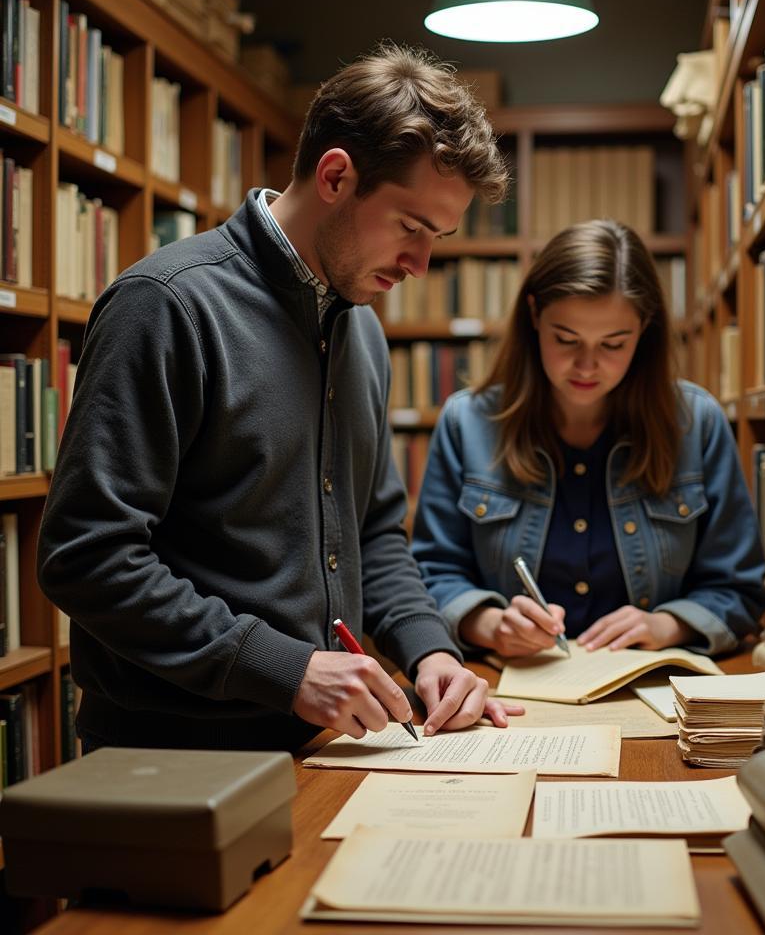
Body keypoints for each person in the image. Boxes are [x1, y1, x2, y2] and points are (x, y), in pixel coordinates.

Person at [37, 43, 523, 752]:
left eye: (438, 238)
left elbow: (376, 534)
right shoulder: (167, 306)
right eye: (411, 228)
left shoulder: (362, 330)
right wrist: (286, 668)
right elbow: (86, 556)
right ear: (335, 176)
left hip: (320, 745)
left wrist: (431, 651)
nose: (422, 264)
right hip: (172, 756)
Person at [412, 219, 765, 660]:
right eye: (566, 340)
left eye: (614, 344)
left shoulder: (698, 424)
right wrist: (491, 624)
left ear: (645, 331)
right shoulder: (467, 422)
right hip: (511, 687)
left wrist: (666, 625)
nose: (586, 365)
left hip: (653, 687)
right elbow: (433, 573)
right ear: (534, 315)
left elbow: (740, 588)